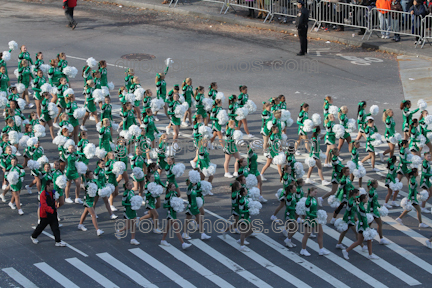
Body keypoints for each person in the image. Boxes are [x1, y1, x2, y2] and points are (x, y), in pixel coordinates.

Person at [31, 180, 67, 247]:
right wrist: (51, 210)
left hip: (53, 213)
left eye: (53, 185)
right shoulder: (43, 194)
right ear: (47, 186)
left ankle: (58, 241)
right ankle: (34, 236)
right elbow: (44, 205)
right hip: (45, 214)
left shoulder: (53, 192)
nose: (53, 187)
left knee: (55, 227)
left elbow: (56, 199)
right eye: (51, 185)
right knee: (41, 227)